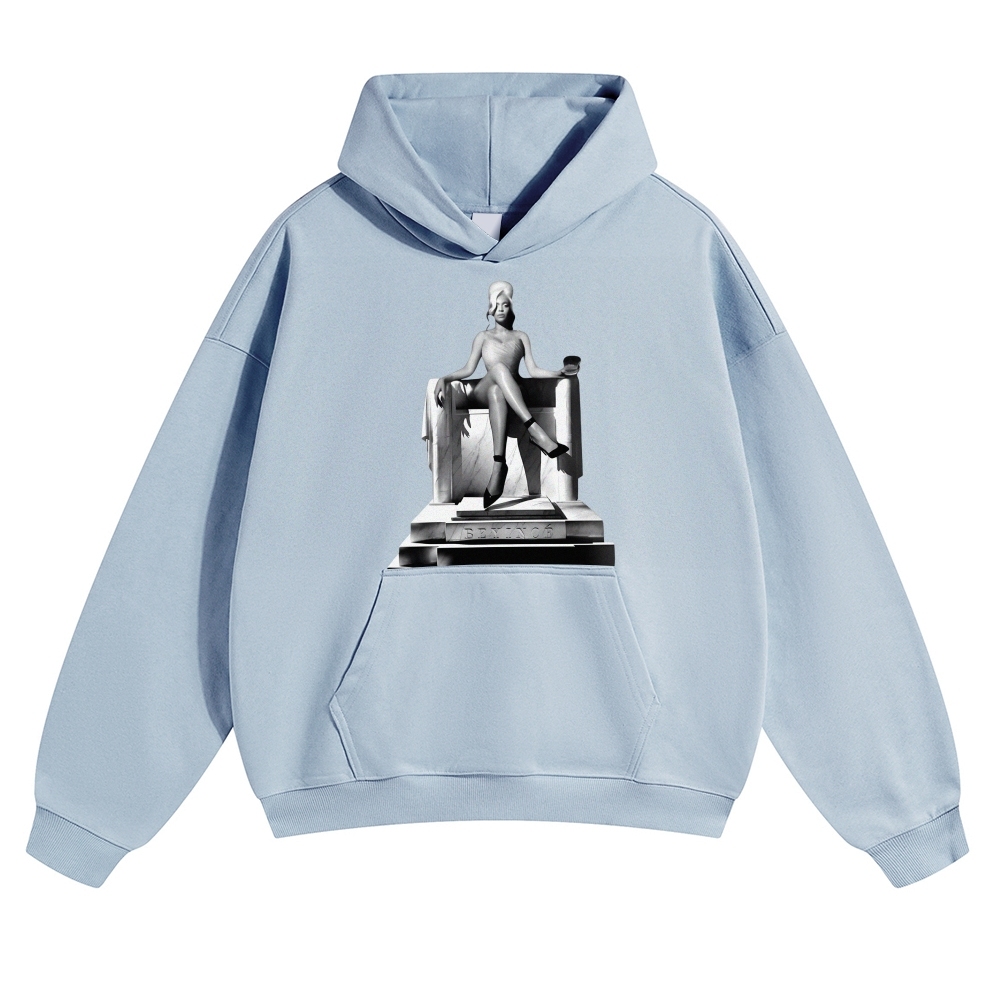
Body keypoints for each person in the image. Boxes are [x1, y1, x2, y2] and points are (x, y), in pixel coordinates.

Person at [434, 281, 577, 508]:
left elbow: (533, 370)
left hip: (510, 391)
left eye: (505, 305)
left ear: (512, 308)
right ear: (490, 309)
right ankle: (535, 431)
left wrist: (557, 373)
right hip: (482, 389)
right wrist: (445, 378)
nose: (501, 309)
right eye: (496, 305)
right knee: (498, 371)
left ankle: (499, 465)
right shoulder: (482, 337)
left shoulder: (521, 336)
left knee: (497, 391)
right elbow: (468, 369)